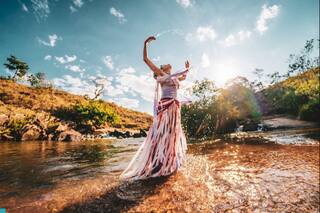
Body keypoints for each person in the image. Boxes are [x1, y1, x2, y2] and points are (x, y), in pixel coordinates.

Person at [119, 35, 189, 181]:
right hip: (165, 106)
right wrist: (145, 43)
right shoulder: (161, 74)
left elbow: (184, 77)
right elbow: (146, 59)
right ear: (161, 69)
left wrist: (187, 69)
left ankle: (167, 161)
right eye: (162, 65)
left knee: (170, 134)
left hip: (174, 108)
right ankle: (157, 161)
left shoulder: (174, 77)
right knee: (161, 134)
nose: (165, 64)